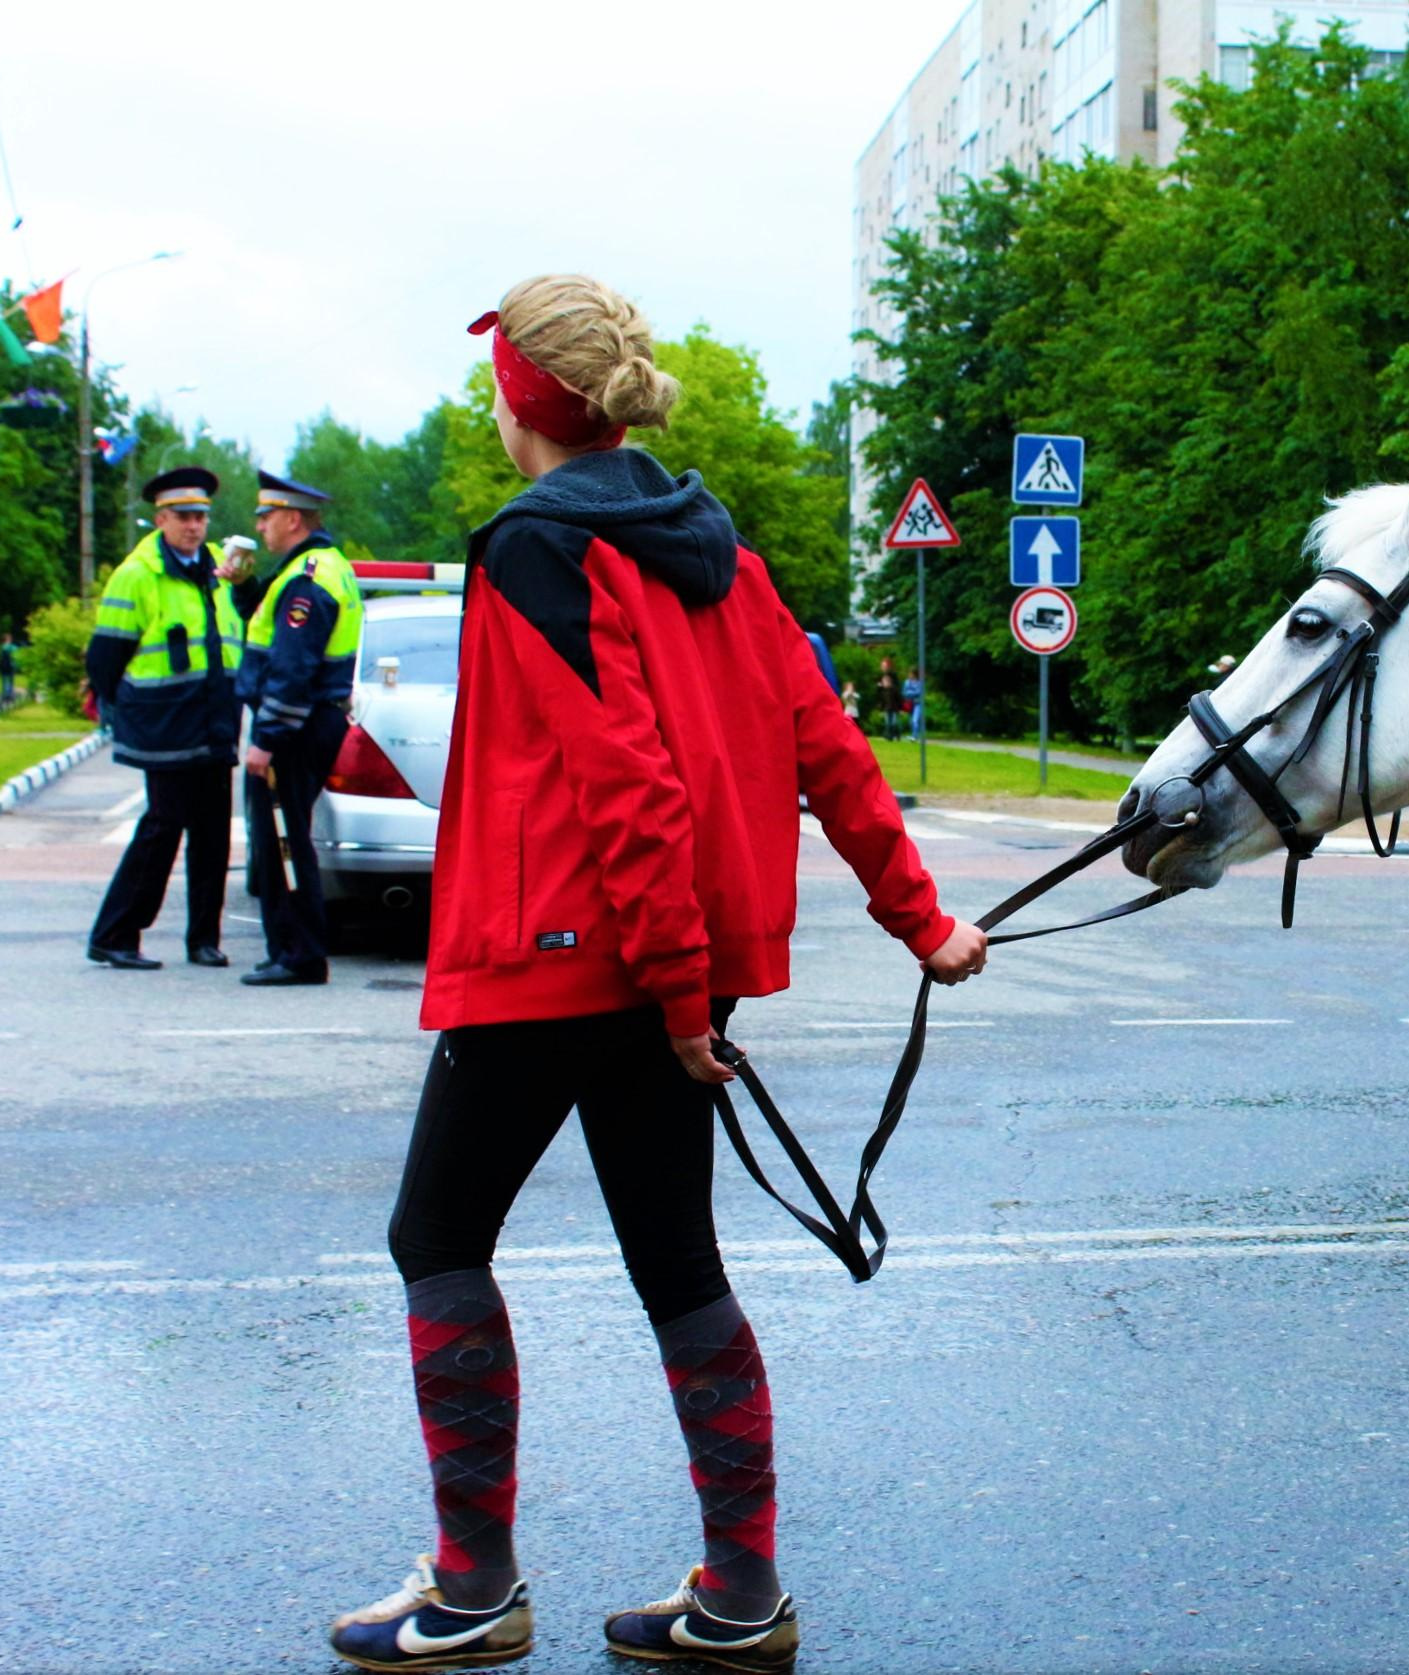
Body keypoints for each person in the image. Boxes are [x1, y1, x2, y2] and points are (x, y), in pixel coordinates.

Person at [328, 274, 989, 1673]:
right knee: (675, 1258)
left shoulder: (532, 549)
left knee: (436, 1238)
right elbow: (827, 746)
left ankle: (472, 1588)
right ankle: (741, 1594)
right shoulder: (723, 554)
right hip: (660, 975)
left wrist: (681, 995)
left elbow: (623, 784)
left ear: (522, 402)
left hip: (560, 958)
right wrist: (918, 916)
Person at [83, 467, 242, 971]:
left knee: (213, 835)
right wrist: (123, 712)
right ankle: (115, 934)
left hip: (214, 721)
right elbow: (106, 657)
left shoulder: (217, 569)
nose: (194, 526)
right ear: (160, 519)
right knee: (161, 830)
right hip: (163, 726)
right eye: (183, 517)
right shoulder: (139, 573)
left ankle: (203, 940)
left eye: (200, 517)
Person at [234, 471, 364, 987]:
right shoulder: (322, 566)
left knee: (283, 840)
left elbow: (292, 669)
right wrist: (243, 589)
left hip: (297, 725)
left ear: (292, 519)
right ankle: (290, 948)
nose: (260, 528)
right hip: (314, 719)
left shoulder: (307, 578)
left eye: (266, 518)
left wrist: (265, 739)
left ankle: (299, 953)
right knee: (283, 836)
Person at [874, 655, 901, 741]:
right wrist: (880, 686)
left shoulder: (893, 676)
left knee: (894, 722)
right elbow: (879, 691)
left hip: (894, 703)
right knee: (887, 721)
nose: (882, 668)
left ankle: (895, 734)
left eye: (884, 666)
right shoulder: (880, 676)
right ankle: (889, 735)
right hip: (886, 703)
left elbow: (898, 691)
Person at [902, 666, 925, 742]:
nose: (910, 675)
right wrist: (913, 693)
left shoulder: (920, 682)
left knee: (915, 720)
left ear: (915, 674)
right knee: (911, 721)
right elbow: (905, 693)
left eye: (911, 674)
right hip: (910, 704)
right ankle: (913, 735)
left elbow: (919, 692)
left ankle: (915, 736)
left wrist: (910, 692)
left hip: (918, 703)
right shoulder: (907, 682)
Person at [0, 636, 16, 704]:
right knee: (11, 681)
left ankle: (5, 695)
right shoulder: (13, 647)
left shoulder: (2, 647)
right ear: (10, 640)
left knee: (4, 681)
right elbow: (15, 656)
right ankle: (10, 696)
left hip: (3, 667)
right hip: (11, 666)